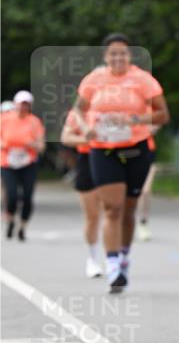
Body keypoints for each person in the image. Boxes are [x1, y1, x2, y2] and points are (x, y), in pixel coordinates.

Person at [71, 34, 169, 293]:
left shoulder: (142, 80)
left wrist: (135, 119)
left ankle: (124, 255)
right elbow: (78, 110)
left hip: (136, 149)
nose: (118, 58)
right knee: (112, 209)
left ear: (129, 55)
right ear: (105, 56)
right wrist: (85, 130)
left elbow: (162, 113)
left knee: (128, 210)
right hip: (103, 150)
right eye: (113, 53)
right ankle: (112, 265)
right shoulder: (94, 79)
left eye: (122, 53)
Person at [60, 110, 102, 277]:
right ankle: (93, 259)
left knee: (113, 210)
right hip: (88, 158)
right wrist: (87, 139)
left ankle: (115, 258)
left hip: (113, 157)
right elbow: (66, 137)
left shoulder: (118, 105)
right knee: (92, 215)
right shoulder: (79, 112)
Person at [0, 90, 46, 240]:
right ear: (16, 104)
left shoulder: (34, 122)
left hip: (27, 162)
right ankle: (11, 219)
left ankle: (23, 226)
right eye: (21, 104)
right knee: (12, 195)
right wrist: (4, 144)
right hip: (8, 162)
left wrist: (31, 144)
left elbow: (41, 145)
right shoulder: (5, 119)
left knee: (27, 196)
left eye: (26, 105)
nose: (23, 108)